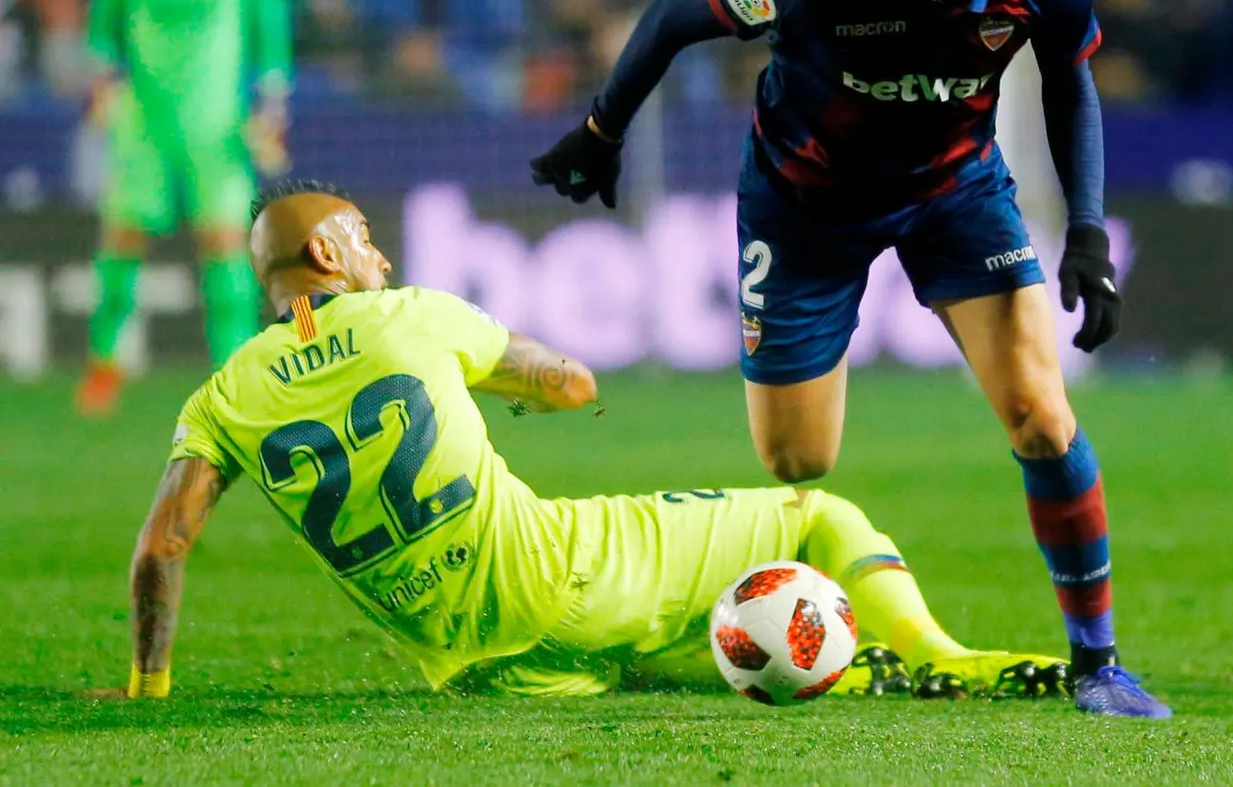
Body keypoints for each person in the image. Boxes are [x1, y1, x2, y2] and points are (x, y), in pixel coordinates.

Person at [529, 0, 1168, 718]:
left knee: (1040, 414)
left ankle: (1098, 661)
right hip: (804, 210)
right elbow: (675, 13)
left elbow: (1069, 81)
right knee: (797, 459)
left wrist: (1091, 231)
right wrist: (600, 129)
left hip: (954, 196)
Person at [109, 180, 1066, 701]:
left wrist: (150, 684)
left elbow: (163, 548)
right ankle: (939, 655)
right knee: (813, 513)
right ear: (325, 256)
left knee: (659, 655)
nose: (381, 254)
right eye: (362, 236)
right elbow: (570, 382)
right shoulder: (408, 315)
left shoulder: (221, 397)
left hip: (466, 667)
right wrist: (521, 391)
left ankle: (853, 672)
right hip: (554, 573)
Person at [80, 0, 294, 415]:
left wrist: (271, 108)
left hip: (217, 126)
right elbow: (103, 29)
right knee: (122, 238)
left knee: (225, 246)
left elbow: (270, 28)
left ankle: (235, 372)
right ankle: (105, 362)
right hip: (143, 125)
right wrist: (102, 87)